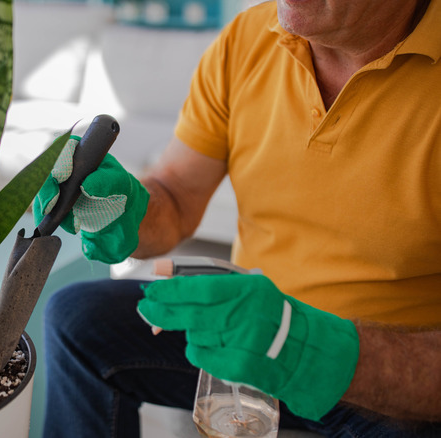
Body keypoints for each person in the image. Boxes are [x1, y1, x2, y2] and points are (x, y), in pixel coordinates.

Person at [33, 0, 441, 436]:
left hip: (384, 377)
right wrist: (124, 209)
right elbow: (176, 195)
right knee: (76, 319)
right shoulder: (247, 39)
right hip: (249, 334)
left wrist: (322, 352)